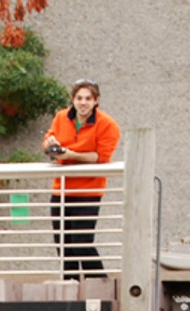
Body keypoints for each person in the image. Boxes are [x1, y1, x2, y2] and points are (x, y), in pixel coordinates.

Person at [42, 79, 120, 280]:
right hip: (61, 189)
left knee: (81, 242)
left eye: (88, 98)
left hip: (88, 191)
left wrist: (71, 155)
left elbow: (101, 157)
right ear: (73, 99)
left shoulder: (107, 124)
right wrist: (50, 145)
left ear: (96, 101)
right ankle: (72, 290)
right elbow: (47, 142)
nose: (83, 103)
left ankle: (102, 288)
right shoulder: (61, 117)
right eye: (79, 98)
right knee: (63, 245)